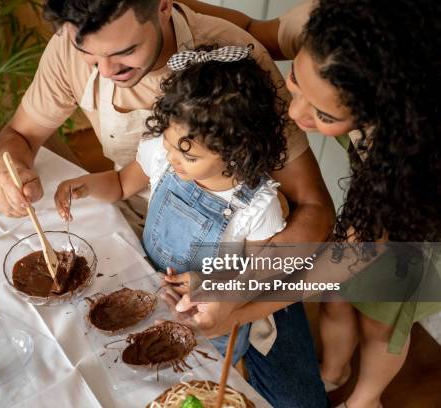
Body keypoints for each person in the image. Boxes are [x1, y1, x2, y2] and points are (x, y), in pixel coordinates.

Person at [166, 1, 441, 407]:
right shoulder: (339, 30)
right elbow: (249, 26)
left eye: (324, 114)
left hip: (412, 224)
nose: (294, 114)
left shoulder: (417, 169)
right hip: (376, 205)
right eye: (295, 80)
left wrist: (236, 307)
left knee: (383, 318)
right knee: (343, 295)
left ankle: (366, 399)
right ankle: (335, 372)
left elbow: (343, 258)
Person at [55, 45, 326, 408]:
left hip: (209, 312)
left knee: (191, 381)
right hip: (150, 282)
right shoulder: (162, 157)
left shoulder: (259, 207)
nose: (173, 160)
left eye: (189, 155)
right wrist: (86, 184)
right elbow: (121, 184)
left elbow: (258, 275)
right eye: (168, 145)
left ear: (236, 151)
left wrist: (211, 284)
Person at [0, 0, 334, 242]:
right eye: (90, 56)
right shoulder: (69, 46)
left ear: (164, 6)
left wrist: (235, 290)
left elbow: (315, 209)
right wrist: (12, 173)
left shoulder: (233, 61)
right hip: (132, 223)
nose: (107, 71)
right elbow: (19, 135)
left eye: (123, 51)